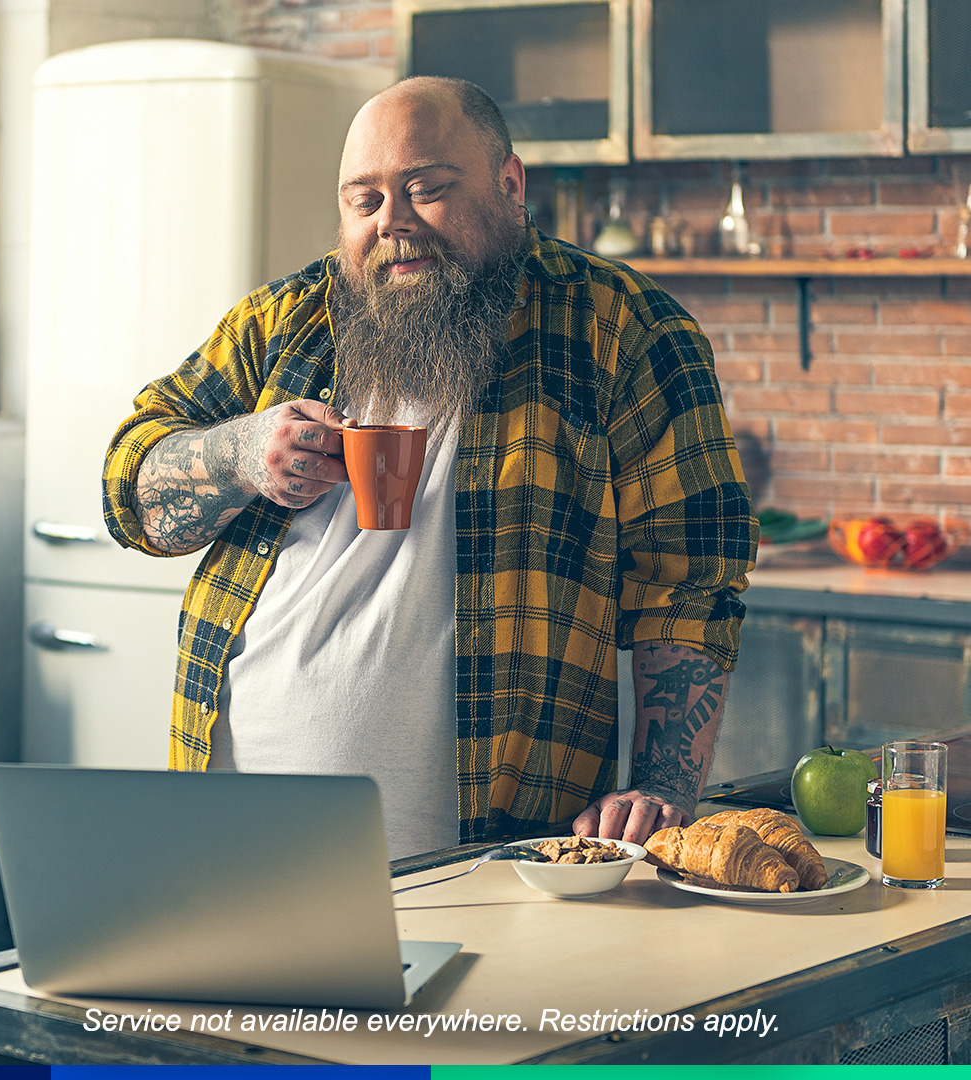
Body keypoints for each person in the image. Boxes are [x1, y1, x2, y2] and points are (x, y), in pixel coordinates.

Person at [103, 76, 757, 858]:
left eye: (426, 189)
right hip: (232, 825)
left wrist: (663, 789)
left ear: (510, 185)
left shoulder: (625, 333)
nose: (394, 223)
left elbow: (687, 584)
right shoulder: (284, 321)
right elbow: (129, 489)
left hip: (493, 851)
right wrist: (240, 452)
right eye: (365, 200)